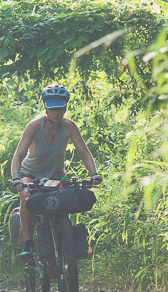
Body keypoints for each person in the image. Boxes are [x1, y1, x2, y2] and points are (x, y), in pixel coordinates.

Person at [9, 83, 102, 259]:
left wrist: (93, 173)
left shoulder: (69, 126)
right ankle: (28, 242)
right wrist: (16, 177)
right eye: (52, 109)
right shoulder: (35, 126)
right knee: (26, 196)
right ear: (45, 107)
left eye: (60, 108)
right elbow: (18, 156)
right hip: (31, 173)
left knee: (65, 203)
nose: (56, 113)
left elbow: (83, 151)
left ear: (66, 107)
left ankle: (63, 245)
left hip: (55, 176)